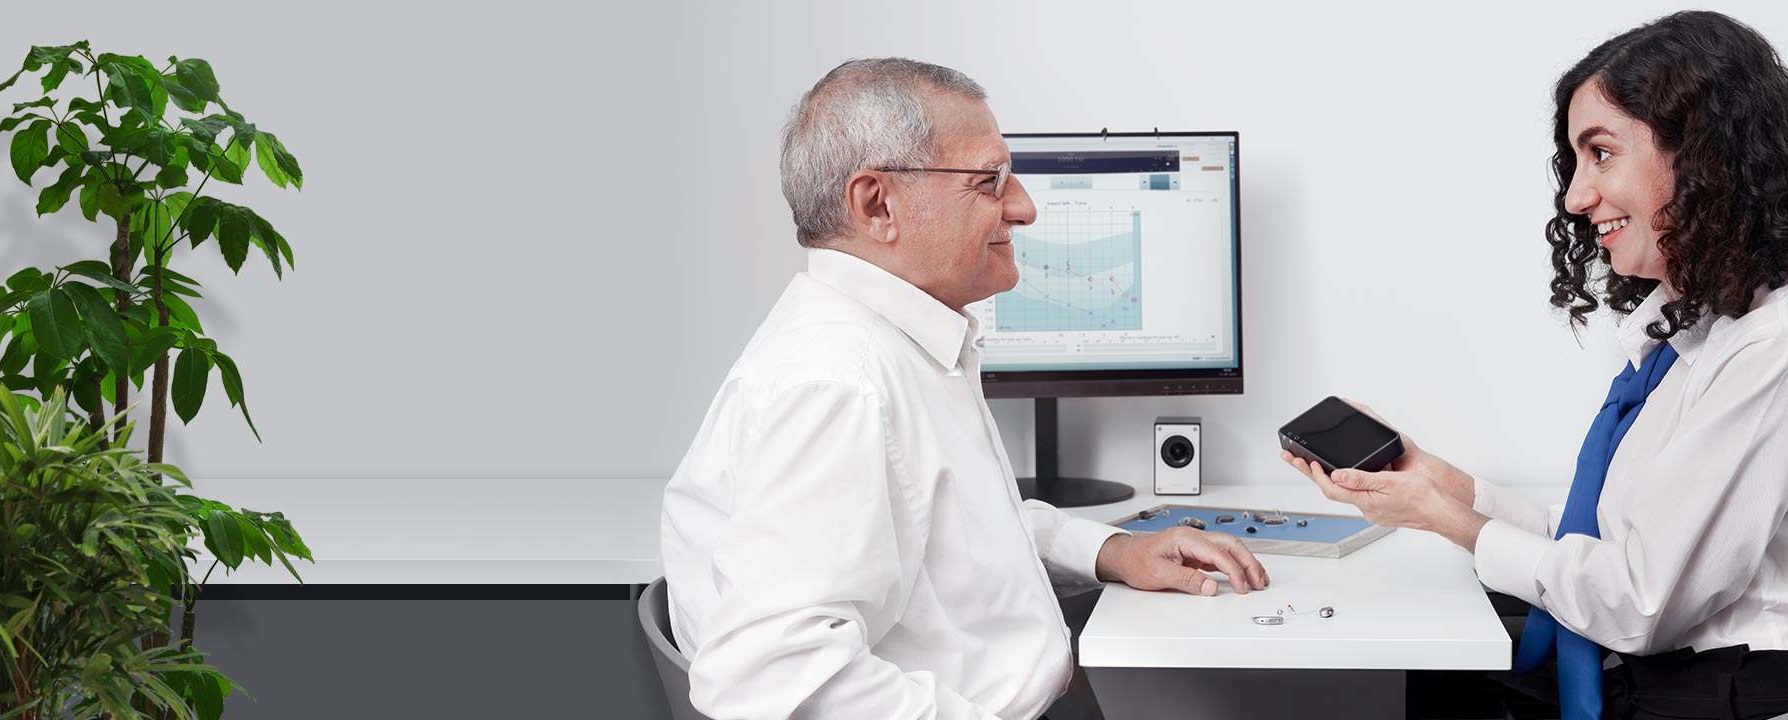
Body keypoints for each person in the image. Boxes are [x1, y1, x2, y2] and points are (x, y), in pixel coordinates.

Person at [660, 58, 1269, 720]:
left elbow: (945, 526)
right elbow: (766, 677)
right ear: (877, 204)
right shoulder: (842, 386)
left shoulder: (888, 343)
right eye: (990, 182)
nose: (1024, 207)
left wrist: (1110, 550)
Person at [1281, 11, 1788, 720]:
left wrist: (1445, 520)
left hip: (1714, 696)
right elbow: (1602, 542)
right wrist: (1440, 485)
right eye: (1575, 163)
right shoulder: (1689, 343)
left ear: (1703, 156)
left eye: (1601, 154)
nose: (1577, 198)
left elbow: (1638, 602)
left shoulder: (1767, 352)